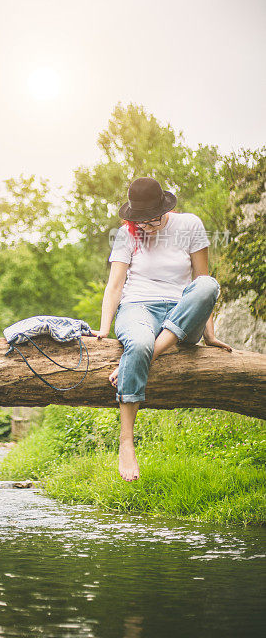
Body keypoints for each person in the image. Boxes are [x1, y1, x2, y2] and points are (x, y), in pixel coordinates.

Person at [91, 177, 232, 482]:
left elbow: (200, 282)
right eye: (140, 222)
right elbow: (115, 286)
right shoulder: (127, 235)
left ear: (164, 209)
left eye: (153, 220)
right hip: (137, 308)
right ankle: (126, 442)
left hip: (182, 313)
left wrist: (209, 334)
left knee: (209, 285)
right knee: (138, 343)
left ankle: (140, 358)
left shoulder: (190, 225)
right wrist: (104, 329)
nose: (147, 227)